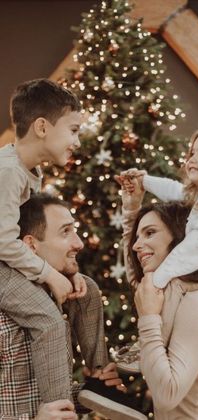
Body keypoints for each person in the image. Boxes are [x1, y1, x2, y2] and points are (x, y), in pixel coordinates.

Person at [0, 193, 146, 420]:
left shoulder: (57, 296)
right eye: (65, 232)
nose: (79, 243)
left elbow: (29, 396)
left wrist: (86, 392)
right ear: (31, 245)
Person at [0, 78, 87, 404]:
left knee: (86, 290)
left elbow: (27, 238)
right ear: (41, 127)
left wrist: (63, 269)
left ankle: (97, 377)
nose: (77, 141)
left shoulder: (28, 172)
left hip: (7, 262)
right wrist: (48, 274)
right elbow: (5, 243)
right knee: (48, 322)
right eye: (74, 130)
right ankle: (58, 406)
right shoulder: (8, 172)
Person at [120, 177, 198, 419]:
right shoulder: (170, 291)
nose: (136, 246)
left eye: (150, 233)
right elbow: (136, 279)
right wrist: (131, 209)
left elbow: (166, 394)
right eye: (137, 238)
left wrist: (149, 319)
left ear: (181, 239)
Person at [119, 126, 198, 289]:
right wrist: (144, 181)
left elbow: (189, 252)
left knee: (179, 285)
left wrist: (155, 283)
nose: (192, 159)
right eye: (192, 153)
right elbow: (174, 190)